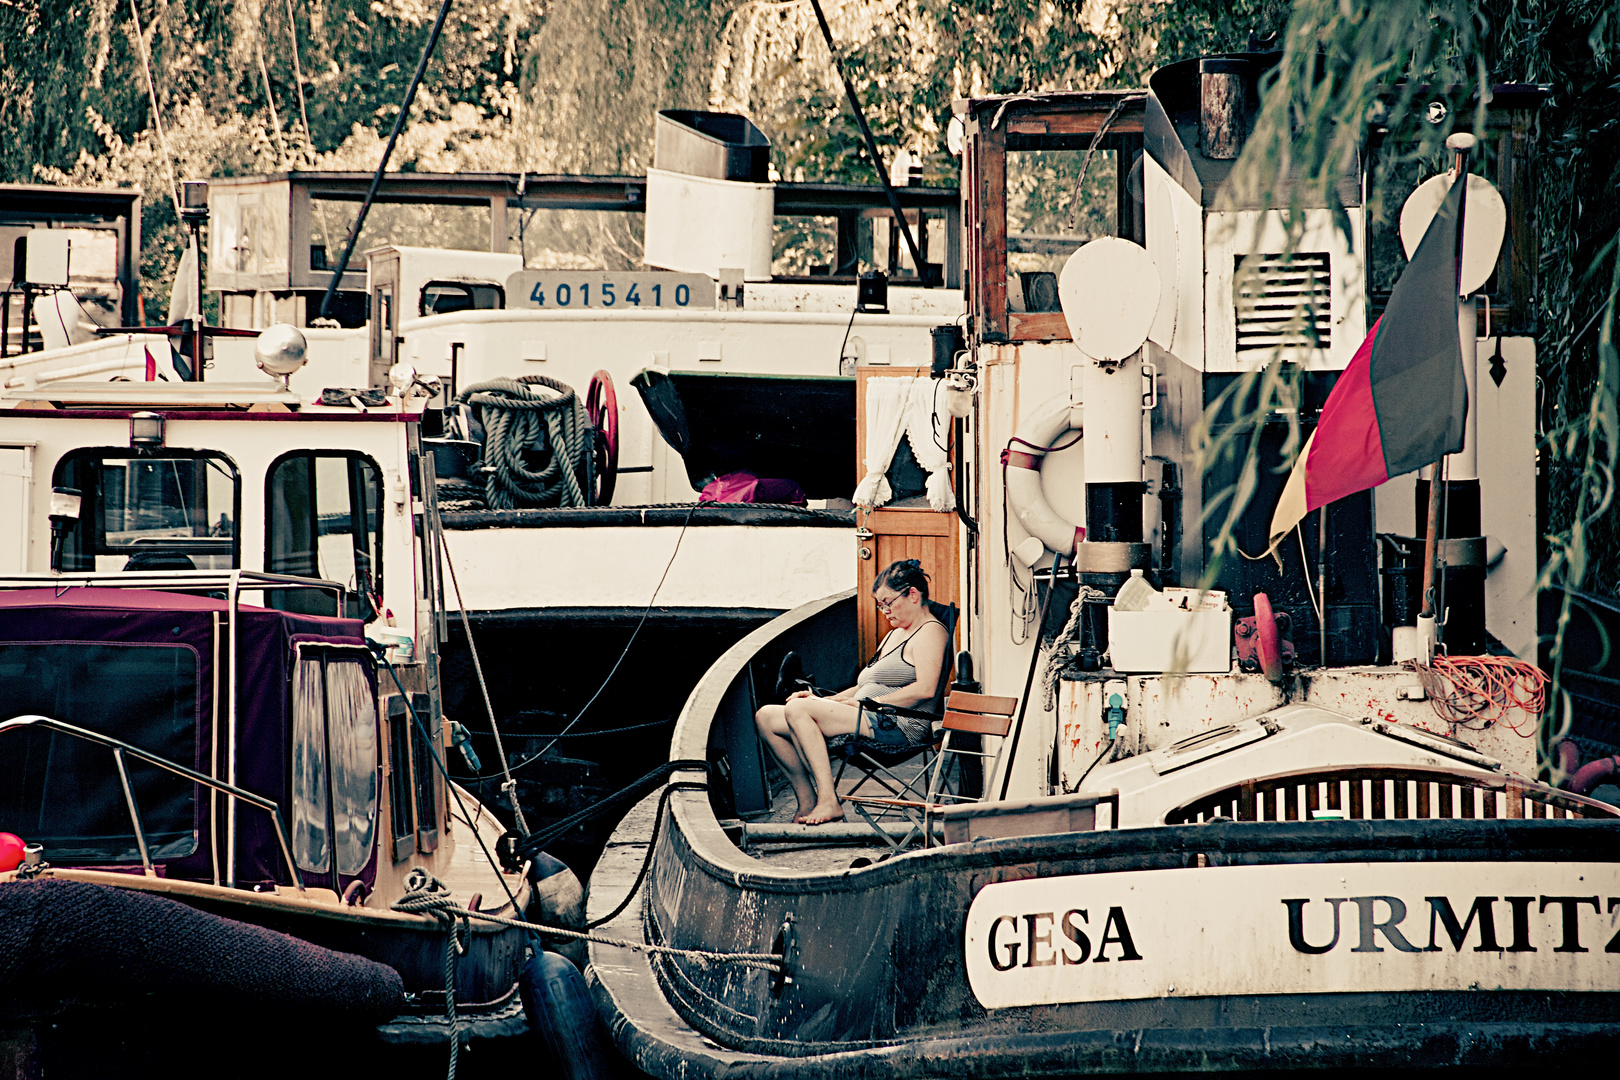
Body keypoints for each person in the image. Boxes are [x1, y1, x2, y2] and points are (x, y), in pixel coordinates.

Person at [754, 559, 948, 826]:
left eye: (888, 603)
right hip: (869, 715)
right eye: (880, 605)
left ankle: (829, 801)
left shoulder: (930, 632)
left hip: (896, 726)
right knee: (767, 717)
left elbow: (925, 688)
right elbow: (861, 686)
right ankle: (807, 800)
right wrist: (823, 700)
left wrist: (871, 704)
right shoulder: (896, 634)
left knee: (797, 710)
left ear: (912, 595)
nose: (884, 611)